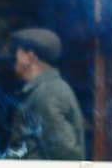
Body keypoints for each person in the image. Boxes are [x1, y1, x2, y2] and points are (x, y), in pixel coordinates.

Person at [8, 28, 86, 160]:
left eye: (16, 52)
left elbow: (66, 156)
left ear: (30, 57)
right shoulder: (43, 90)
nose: (13, 58)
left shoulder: (48, 94)